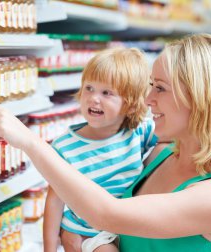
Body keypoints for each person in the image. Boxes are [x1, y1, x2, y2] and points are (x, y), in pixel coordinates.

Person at [0, 33, 211, 252]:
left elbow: (108, 214)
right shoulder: (165, 154)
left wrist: (30, 142)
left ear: (200, 99)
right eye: (150, 86)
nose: (148, 99)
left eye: (160, 89)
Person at [43, 47, 158, 252]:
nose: (94, 98)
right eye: (89, 88)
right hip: (87, 231)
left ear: (130, 106)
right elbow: (54, 202)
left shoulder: (139, 133)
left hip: (122, 224)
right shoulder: (64, 147)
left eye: (106, 93)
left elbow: (176, 139)